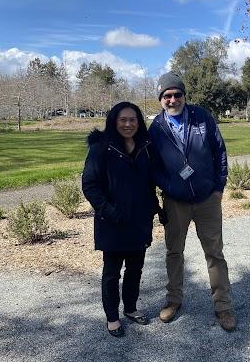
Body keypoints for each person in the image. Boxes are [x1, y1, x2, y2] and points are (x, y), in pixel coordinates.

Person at [148, 72, 236, 331]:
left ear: (184, 96)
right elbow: (153, 166)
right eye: (167, 95)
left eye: (177, 94)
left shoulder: (201, 116)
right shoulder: (157, 128)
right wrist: (170, 186)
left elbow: (219, 150)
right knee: (174, 252)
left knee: (214, 253)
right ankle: (174, 300)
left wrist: (219, 187)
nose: (172, 99)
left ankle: (223, 306)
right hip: (176, 202)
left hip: (208, 198)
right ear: (161, 99)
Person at [82, 101, 159, 337]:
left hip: (139, 221)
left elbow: (148, 182)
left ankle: (131, 308)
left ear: (139, 122)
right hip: (113, 222)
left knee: (135, 268)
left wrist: (155, 207)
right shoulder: (101, 148)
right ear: (114, 121)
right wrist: (109, 211)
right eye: (123, 119)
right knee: (112, 272)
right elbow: (90, 185)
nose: (128, 124)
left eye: (133, 120)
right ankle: (112, 317)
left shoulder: (145, 146)